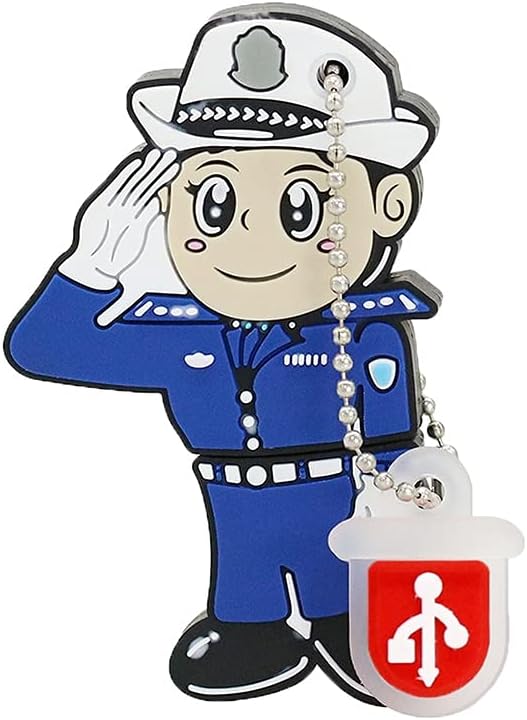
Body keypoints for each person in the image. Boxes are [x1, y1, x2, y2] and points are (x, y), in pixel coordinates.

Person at [4, 3, 441, 703]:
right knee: (245, 600)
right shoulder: (184, 336)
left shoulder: (365, 331)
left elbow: (394, 443)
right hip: (232, 504)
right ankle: (250, 627)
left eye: (300, 207)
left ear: (388, 206)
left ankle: (342, 621)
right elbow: (41, 349)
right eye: (212, 203)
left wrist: (406, 531)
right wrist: (90, 266)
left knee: (339, 594)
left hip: (342, 514)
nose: (251, 242)